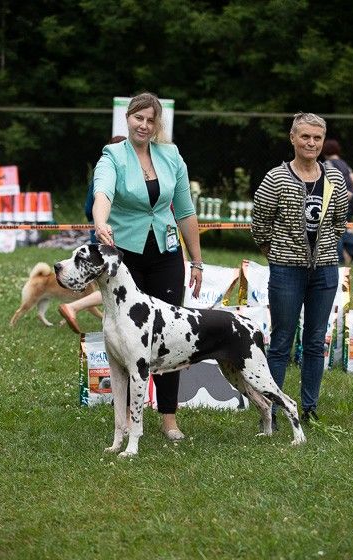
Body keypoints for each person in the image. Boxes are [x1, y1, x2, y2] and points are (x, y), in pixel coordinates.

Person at [92, 92, 203, 441]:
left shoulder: (171, 156)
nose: (143, 125)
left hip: (167, 254)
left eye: (150, 120)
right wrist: (100, 222)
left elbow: (185, 211)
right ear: (128, 118)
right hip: (125, 255)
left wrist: (196, 260)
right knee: (127, 337)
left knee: (170, 333)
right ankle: (126, 417)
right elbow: (102, 194)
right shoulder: (113, 155)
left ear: (157, 124)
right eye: (138, 118)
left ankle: (168, 417)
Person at [251, 112, 348, 428]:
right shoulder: (276, 178)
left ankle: (309, 408)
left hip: (325, 271)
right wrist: (277, 254)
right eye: (305, 136)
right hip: (286, 270)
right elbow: (260, 225)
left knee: (316, 340)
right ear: (292, 138)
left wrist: (325, 250)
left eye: (317, 138)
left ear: (323, 141)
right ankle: (271, 411)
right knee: (281, 342)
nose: (311, 143)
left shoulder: (334, 179)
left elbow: (340, 222)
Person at [59, 136, 127, 332]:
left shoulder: (103, 173)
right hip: (113, 239)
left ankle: (109, 321)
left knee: (111, 284)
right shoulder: (109, 173)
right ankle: (74, 307)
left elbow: (89, 209)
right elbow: (91, 208)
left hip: (103, 237)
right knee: (114, 284)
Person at [322, 138, 353, 264]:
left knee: (333, 228)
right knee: (341, 227)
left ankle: (339, 258)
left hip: (338, 201)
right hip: (351, 201)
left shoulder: (327, 164)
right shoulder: (344, 164)